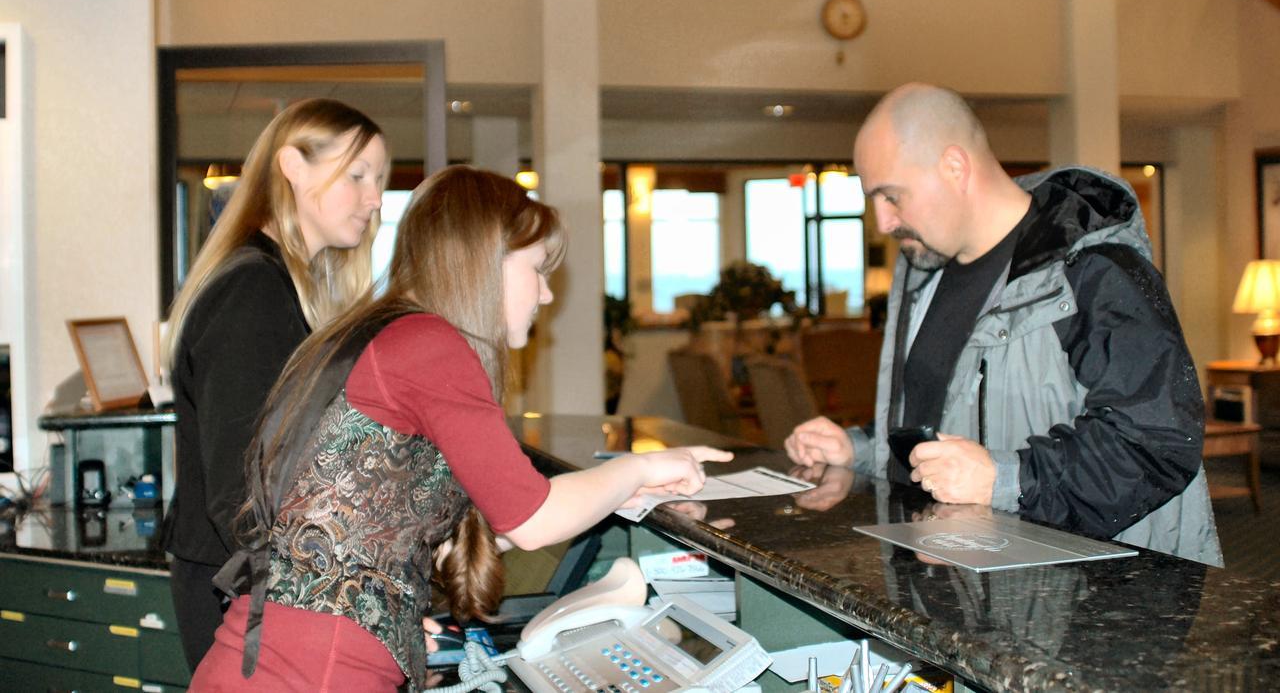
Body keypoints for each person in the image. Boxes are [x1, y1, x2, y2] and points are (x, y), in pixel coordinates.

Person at [190, 166, 733, 692]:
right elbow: (532, 517)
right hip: (317, 667)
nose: (545, 295)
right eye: (537, 269)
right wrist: (638, 464)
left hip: (275, 652)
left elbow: (377, 517)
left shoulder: (384, 333)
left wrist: (391, 625)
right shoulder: (429, 345)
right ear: (485, 262)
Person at [785, 83, 1222, 566]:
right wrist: (859, 448)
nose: (883, 222)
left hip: (1088, 605)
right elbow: (942, 426)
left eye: (891, 196)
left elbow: (1156, 441)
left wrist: (1005, 480)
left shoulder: (1094, 268)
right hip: (958, 592)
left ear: (954, 167)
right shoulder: (924, 276)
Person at [162, 98, 389, 669]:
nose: (375, 198)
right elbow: (237, 491)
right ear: (292, 165)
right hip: (241, 591)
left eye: (379, 180)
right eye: (357, 175)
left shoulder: (281, 285)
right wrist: (320, 601)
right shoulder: (253, 293)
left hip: (252, 585)